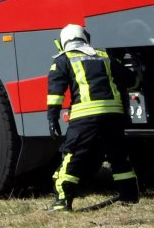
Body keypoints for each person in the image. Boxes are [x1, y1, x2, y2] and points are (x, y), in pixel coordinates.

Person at [47, 23, 138, 211]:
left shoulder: (63, 60)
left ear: (63, 42)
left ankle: (62, 201)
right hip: (113, 116)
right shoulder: (105, 57)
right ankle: (129, 196)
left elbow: (55, 94)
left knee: (74, 156)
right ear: (85, 38)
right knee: (118, 156)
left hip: (85, 118)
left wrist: (52, 119)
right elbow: (131, 80)